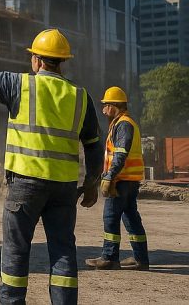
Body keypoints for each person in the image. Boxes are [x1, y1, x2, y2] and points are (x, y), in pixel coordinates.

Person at [0, 8, 103, 305]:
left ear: (36, 59)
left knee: (17, 250)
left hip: (25, 185)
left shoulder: (19, 84)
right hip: (64, 189)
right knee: (63, 252)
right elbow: (94, 146)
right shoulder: (81, 97)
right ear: (63, 64)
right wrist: (93, 183)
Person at [85, 86, 149, 270]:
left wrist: (109, 177)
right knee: (131, 219)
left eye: (106, 105)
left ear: (114, 106)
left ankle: (110, 257)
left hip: (121, 180)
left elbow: (120, 154)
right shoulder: (124, 123)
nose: (103, 109)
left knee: (110, 217)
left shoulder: (124, 124)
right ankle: (141, 259)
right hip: (129, 180)